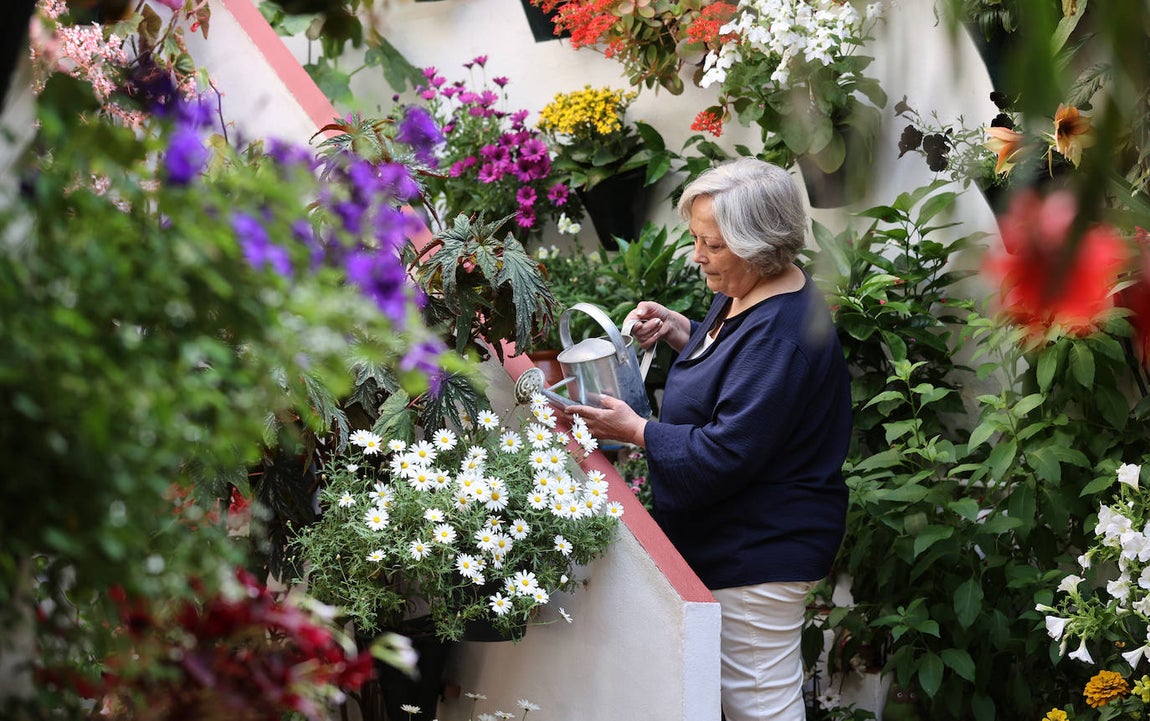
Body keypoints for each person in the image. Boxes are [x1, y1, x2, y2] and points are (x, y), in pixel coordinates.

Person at [563, 158, 852, 721]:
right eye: (696, 239)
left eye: (711, 245)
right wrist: (682, 332)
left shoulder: (781, 334)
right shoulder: (750, 289)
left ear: (759, 245)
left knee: (759, 706)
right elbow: (736, 375)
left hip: (759, 550)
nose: (698, 256)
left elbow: (725, 452)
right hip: (736, 539)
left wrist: (638, 431)